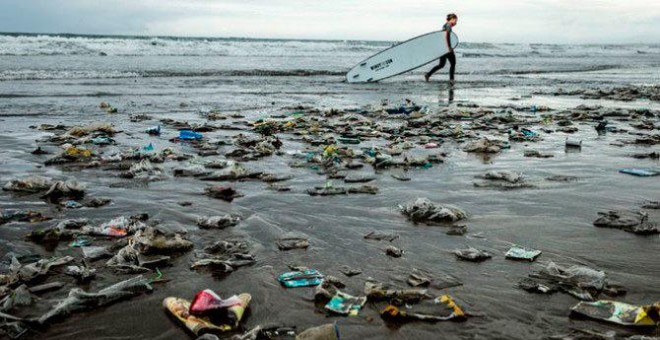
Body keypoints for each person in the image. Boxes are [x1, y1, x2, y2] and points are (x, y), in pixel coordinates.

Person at [425, 13, 458, 84]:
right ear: (452, 19)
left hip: (442, 48)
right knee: (453, 63)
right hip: (446, 49)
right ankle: (451, 79)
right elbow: (447, 36)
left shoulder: (444, 25)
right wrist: (449, 47)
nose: (456, 22)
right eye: (455, 20)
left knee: (441, 65)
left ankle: (428, 74)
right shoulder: (448, 26)